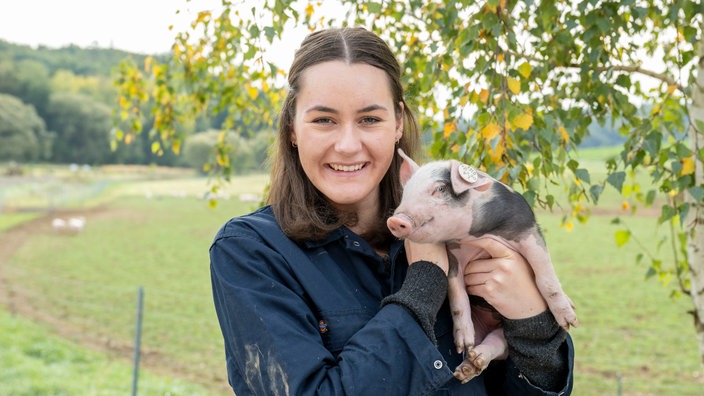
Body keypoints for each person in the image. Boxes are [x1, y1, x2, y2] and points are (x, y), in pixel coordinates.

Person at [210, 26, 574, 395]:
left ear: (398, 123)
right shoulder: (251, 253)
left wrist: (533, 326)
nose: (348, 145)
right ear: (292, 128)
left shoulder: (462, 237)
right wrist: (425, 280)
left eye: (370, 119)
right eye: (324, 120)